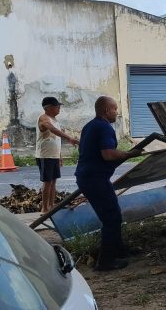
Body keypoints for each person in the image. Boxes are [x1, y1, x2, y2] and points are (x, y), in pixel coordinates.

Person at [75, 96, 143, 271]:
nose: (117, 113)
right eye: (115, 109)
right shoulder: (104, 127)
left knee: (112, 215)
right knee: (112, 218)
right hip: (95, 179)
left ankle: (119, 250)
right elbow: (108, 154)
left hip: (88, 177)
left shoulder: (89, 126)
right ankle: (106, 262)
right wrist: (130, 154)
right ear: (106, 111)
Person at [36, 97, 80, 213]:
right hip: (45, 155)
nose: (59, 108)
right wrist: (69, 138)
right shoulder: (44, 118)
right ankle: (45, 208)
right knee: (47, 181)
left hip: (54, 155)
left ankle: (51, 206)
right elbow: (52, 130)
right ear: (48, 107)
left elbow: (56, 140)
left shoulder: (55, 120)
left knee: (53, 181)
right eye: (57, 106)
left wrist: (59, 156)